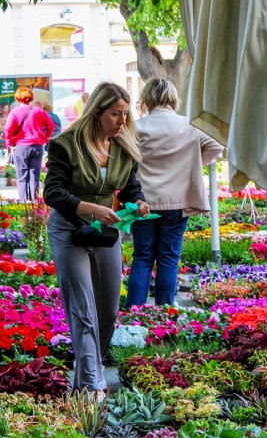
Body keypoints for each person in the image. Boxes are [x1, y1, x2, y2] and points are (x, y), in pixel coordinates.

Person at [43, 82, 150, 392]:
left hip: (105, 232)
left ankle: (90, 370)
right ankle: (92, 385)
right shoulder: (65, 144)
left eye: (125, 114)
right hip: (68, 229)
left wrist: (139, 202)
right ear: (97, 112)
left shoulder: (124, 146)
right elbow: (52, 192)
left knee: (108, 308)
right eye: (115, 114)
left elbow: (130, 188)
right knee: (82, 306)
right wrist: (91, 208)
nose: (122, 121)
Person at [125, 78, 224, 307]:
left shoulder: (137, 127)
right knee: (169, 258)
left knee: (142, 257)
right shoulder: (189, 125)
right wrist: (191, 163)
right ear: (173, 98)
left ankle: (134, 313)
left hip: (142, 202)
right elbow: (217, 147)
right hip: (178, 202)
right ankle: (164, 313)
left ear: (147, 98)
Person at [5, 86, 55, 201]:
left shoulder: (14, 112)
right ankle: (34, 202)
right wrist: (45, 139)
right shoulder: (39, 111)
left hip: (21, 147)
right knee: (34, 176)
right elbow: (51, 125)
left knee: (22, 177)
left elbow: (8, 130)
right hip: (37, 147)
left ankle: (23, 202)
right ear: (31, 97)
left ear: (17, 98)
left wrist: (9, 146)